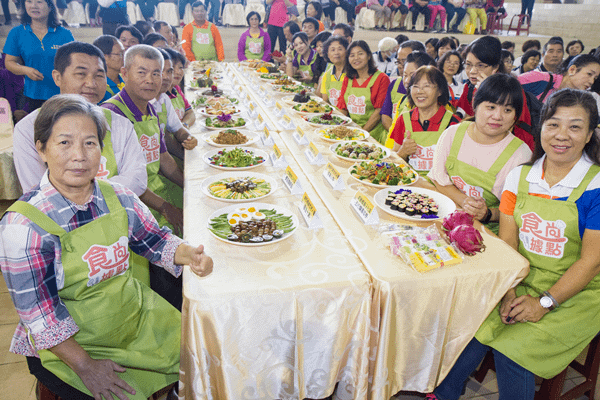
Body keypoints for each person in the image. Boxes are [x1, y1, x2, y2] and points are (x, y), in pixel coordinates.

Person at [1, 94, 213, 400]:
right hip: (76, 343)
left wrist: (188, 254)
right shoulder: (24, 226)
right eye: (64, 143)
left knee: (207, 351)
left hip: (132, 317)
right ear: (41, 149)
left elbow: (155, 240)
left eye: (90, 143)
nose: (79, 155)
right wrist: (87, 367)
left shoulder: (116, 195)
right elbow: (41, 317)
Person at [427, 88, 600, 400]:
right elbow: (508, 242)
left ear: (589, 134)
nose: (562, 135)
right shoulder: (520, 177)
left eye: (575, 126)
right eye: (553, 124)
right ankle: (444, 393)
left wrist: (544, 303)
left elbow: (590, 261)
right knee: (472, 323)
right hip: (522, 275)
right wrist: (509, 292)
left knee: (512, 352)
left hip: (580, 291)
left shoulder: (595, 185)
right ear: (540, 127)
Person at [429, 74, 532, 235]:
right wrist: (464, 201)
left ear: (515, 116)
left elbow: (519, 210)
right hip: (442, 219)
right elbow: (438, 179)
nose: (497, 116)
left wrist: (487, 214)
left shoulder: (521, 154)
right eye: (491, 107)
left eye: (507, 110)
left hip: (485, 234)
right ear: (475, 106)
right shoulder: (452, 134)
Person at [102, 45, 185, 237]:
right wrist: (165, 207)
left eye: (156, 73)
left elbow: (163, 157)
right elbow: (120, 184)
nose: (150, 80)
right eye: (142, 72)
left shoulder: (150, 108)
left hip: (157, 185)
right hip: (133, 201)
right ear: (124, 73)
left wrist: (187, 184)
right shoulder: (111, 115)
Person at [454, 36, 535, 152]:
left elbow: (508, 126)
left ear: (496, 67)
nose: (472, 71)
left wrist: (486, 92)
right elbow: (466, 121)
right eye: (468, 64)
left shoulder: (510, 89)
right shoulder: (470, 87)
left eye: (480, 65)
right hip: (480, 146)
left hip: (512, 148)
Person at [3, 0, 74, 113]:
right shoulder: (16, 33)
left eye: (39, 2)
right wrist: (25, 70)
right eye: (29, 1)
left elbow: (74, 63)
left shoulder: (65, 34)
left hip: (62, 96)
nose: (33, 6)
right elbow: (9, 62)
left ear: (50, 7)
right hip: (32, 96)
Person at [389, 66, 460, 175]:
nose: (419, 91)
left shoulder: (453, 123)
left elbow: (459, 167)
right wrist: (402, 152)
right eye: (415, 86)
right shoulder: (403, 119)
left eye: (426, 86)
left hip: (441, 188)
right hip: (410, 185)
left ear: (440, 91)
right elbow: (392, 160)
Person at [337, 40, 390, 144]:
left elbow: (379, 111)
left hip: (374, 135)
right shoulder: (348, 78)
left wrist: (362, 133)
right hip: (352, 131)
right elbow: (343, 107)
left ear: (369, 56)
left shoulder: (382, 78)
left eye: (360, 54)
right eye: (352, 55)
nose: (356, 58)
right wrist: (340, 128)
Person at [150, 48, 198, 161]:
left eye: (169, 71)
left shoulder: (164, 98)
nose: (166, 77)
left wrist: (188, 137)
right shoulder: (145, 102)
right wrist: (184, 158)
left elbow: (178, 129)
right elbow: (165, 140)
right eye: (161, 71)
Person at [380, 43, 430, 131]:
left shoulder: (429, 97)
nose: (400, 65)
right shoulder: (395, 84)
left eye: (404, 61)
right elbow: (385, 115)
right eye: (398, 61)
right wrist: (397, 136)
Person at [519, 54, 600, 106]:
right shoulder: (541, 78)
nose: (591, 82)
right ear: (572, 70)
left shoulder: (576, 100)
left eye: (595, 78)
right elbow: (508, 85)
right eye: (589, 74)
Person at [164, 48, 195, 128]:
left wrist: (184, 125)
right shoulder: (159, 96)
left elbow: (190, 113)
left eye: (180, 67)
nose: (178, 72)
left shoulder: (176, 89)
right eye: (172, 68)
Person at [93, 35, 125, 102]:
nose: (124, 58)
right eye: (120, 54)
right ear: (104, 58)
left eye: (124, 53)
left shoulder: (126, 78)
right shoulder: (98, 88)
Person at [319, 36, 348, 106]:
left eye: (340, 49)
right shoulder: (327, 75)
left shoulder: (352, 73)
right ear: (327, 54)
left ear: (347, 51)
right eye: (332, 50)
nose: (336, 53)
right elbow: (326, 101)